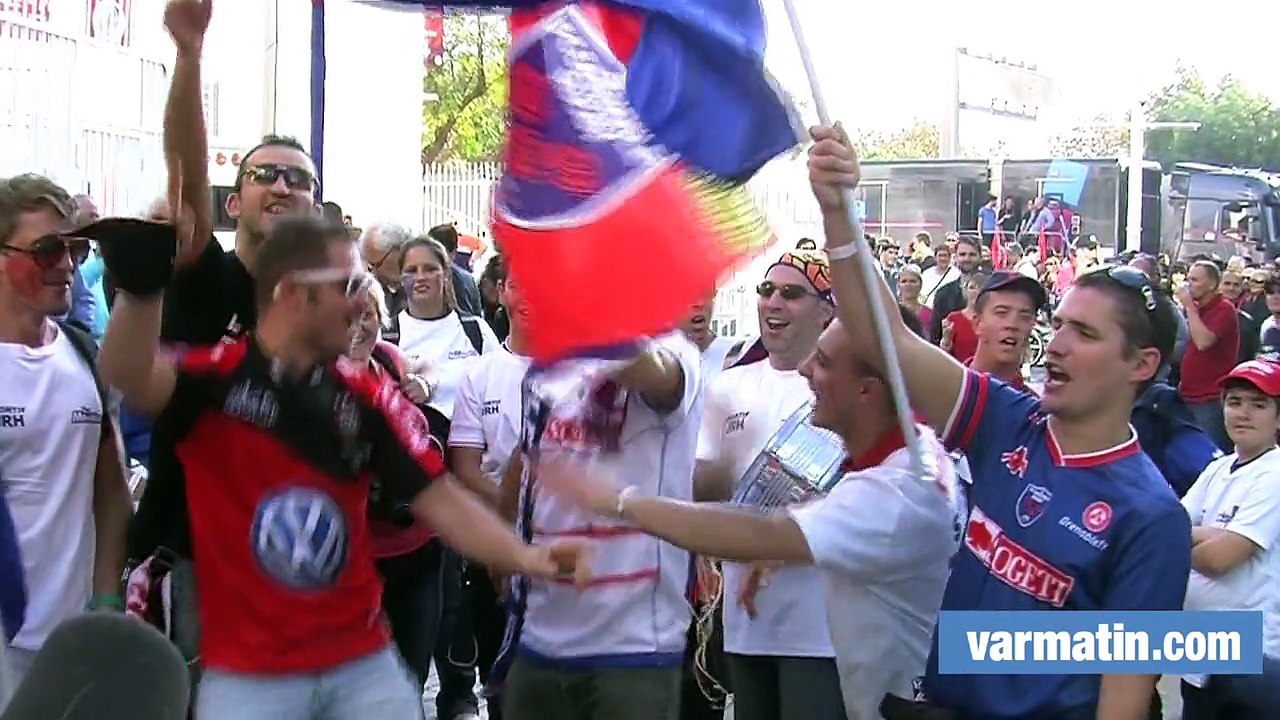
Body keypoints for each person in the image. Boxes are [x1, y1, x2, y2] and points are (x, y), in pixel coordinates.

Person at [98, 212, 589, 720]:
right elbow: (129, 375)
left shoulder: (368, 398)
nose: (364, 300)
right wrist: (140, 288)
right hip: (248, 677)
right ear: (292, 293)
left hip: (361, 666)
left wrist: (527, 557)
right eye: (350, 284)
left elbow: (441, 501)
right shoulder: (214, 383)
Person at [806, 123, 1191, 719]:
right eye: (1058, 324)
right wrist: (839, 211)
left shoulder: (1152, 519)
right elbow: (888, 341)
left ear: (1142, 364)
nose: (1054, 343)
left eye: (1084, 334)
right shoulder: (1012, 421)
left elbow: (1124, 699)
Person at [534, 312, 964, 720]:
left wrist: (621, 502)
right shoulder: (909, 456)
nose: (805, 370)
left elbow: (761, 530)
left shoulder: (898, 490)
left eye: (825, 361)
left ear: (869, 389)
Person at [1179, 360, 1280, 717]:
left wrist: (1181, 540)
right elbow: (1164, 526)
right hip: (1199, 653)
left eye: (1259, 404)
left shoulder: (1275, 475)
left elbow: (1220, 559)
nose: (1243, 413)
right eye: (1235, 401)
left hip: (1250, 660)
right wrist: (1210, 535)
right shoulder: (1217, 468)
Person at [1178, 260, 1241, 451]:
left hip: (1210, 397)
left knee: (1211, 452)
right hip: (1189, 393)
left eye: (1195, 280)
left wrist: (1189, 307)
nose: (1189, 285)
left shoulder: (1224, 308)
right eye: (1188, 279)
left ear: (1212, 284)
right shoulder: (1198, 310)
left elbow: (1203, 342)